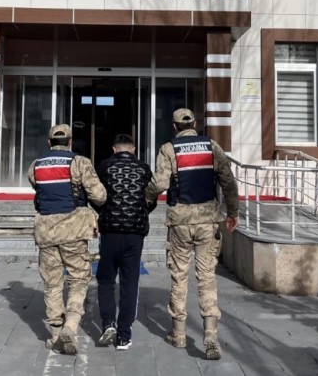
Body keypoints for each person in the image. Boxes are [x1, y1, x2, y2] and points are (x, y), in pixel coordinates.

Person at [145, 108, 239, 361]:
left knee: (179, 276)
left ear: (174, 126)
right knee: (207, 276)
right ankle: (210, 334)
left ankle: (178, 334)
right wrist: (233, 212)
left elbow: (160, 183)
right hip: (208, 220)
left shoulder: (169, 149)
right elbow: (228, 181)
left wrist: (146, 196)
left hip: (180, 221)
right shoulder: (212, 146)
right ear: (195, 124)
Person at [27, 124, 107, 355]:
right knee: (79, 278)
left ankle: (54, 334)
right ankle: (71, 325)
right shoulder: (79, 163)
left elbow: (38, 190)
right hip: (74, 230)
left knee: (52, 283)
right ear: (70, 142)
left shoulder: (35, 165)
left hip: (46, 232)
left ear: (49, 142)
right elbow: (99, 196)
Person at [94, 134, 156, 351]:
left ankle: (108, 324)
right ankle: (123, 335)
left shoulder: (104, 167)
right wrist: (141, 212)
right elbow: (151, 198)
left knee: (105, 279)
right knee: (130, 283)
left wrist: (104, 212)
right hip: (134, 233)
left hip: (110, 231)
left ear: (114, 149)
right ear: (134, 149)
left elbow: (96, 195)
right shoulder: (144, 168)